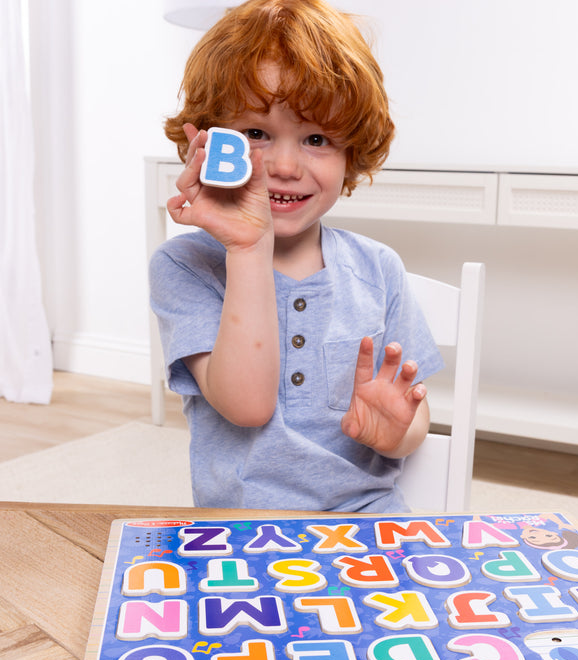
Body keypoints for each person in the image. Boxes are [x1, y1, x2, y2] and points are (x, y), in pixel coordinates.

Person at [150, 0, 443, 512]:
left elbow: (415, 415)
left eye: (316, 139)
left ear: (352, 154)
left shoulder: (378, 269)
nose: (284, 165)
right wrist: (248, 245)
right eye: (256, 134)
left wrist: (396, 432)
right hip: (241, 533)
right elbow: (248, 407)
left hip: (367, 526)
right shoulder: (185, 266)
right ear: (209, 141)